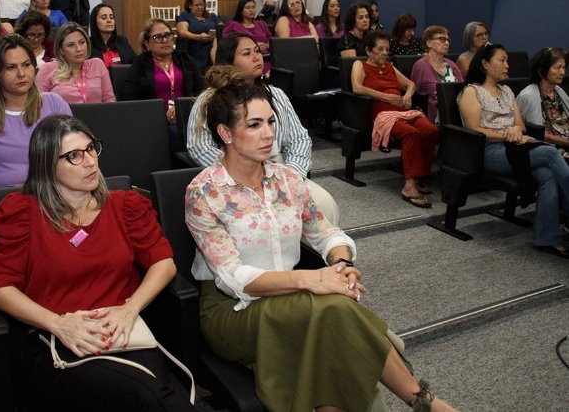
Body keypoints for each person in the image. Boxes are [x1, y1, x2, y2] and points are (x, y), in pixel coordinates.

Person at [185, 82, 458, 412]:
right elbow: (232, 277)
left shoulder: (287, 179)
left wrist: (340, 264)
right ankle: (425, 401)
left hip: (291, 297)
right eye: (254, 125)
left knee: (332, 319)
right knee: (332, 307)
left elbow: (326, 233)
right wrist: (312, 280)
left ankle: (415, 403)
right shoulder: (204, 192)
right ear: (226, 133)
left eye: (271, 122)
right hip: (230, 310)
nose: (269, 133)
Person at [0, 115, 195, 411]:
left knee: (152, 394)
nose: (89, 161)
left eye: (91, 149)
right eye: (73, 156)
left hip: (122, 331)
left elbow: (164, 263)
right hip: (56, 340)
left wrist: (130, 308)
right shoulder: (23, 214)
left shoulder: (124, 206)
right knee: (151, 397)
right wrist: (59, 324)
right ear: (47, 164)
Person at [187, 36, 339, 226]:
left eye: (257, 51)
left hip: (280, 169)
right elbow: (199, 146)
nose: (256, 57)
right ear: (229, 61)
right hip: (234, 175)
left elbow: (299, 139)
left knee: (325, 204)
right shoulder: (210, 99)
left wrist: (291, 175)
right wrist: (239, 171)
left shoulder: (276, 94)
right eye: (247, 53)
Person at [459, 43, 569, 258]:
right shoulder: (472, 92)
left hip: (514, 148)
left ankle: (546, 238)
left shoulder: (507, 90)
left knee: (547, 175)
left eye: (507, 60)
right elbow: (474, 130)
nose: (507, 65)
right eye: (502, 60)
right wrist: (507, 134)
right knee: (550, 153)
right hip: (488, 152)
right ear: (485, 63)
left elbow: (520, 124)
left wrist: (516, 130)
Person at [0, 34, 71, 235]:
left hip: (54, 195)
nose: (21, 73)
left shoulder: (55, 104)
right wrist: (8, 198)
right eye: (11, 67)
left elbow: (75, 156)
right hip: (2, 201)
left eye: (26, 65)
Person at [351, 30, 439, 208]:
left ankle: (420, 176)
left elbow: (411, 84)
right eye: (380, 49)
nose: (385, 53)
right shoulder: (360, 65)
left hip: (402, 111)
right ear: (368, 50)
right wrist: (385, 97)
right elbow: (357, 88)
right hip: (382, 114)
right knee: (411, 133)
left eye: (387, 49)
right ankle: (409, 186)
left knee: (431, 130)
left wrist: (407, 95)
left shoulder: (390, 66)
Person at [123, 18, 206, 124]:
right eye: (158, 37)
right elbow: (129, 98)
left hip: (187, 117)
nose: (165, 40)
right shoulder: (140, 63)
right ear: (147, 43)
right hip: (153, 121)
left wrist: (184, 110)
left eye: (168, 35)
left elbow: (202, 90)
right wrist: (160, 116)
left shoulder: (185, 59)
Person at [36, 23, 115, 104]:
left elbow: (109, 98)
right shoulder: (47, 69)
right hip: (62, 116)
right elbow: (38, 104)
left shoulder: (97, 64)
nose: (79, 49)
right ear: (61, 50)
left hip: (97, 116)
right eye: (71, 45)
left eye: (82, 42)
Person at [517, 48, 569, 153]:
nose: (562, 72)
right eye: (558, 68)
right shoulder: (528, 95)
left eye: (564, 67)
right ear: (541, 70)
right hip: (549, 149)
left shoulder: (559, 91)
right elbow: (532, 133)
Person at [410, 25, 463, 122]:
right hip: (435, 117)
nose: (447, 43)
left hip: (457, 112)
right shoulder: (420, 66)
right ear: (429, 43)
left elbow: (463, 90)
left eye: (448, 40)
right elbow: (414, 95)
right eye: (442, 39)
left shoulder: (452, 65)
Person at [222, 0, 272, 74]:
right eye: (248, 8)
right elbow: (227, 44)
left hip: (267, 57)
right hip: (246, 59)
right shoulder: (233, 25)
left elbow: (271, 40)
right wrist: (254, 46)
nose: (251, 10)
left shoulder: (261, 23)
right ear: (241, 10)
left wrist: (267, 45)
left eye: (253, 7)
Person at [176, 0, 220, 70]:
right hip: (195, 47)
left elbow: (222, 27)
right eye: (197, 5)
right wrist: (198, 37)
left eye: (202, 5)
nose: (200, 7)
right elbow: (182, 32)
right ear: (190, 6)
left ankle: (216, 67)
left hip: (213, 46)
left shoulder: (211, 16)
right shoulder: (185, 16)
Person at [88, 3, 137, 68]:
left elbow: (136, 63)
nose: (109, 20)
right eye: (104, 18)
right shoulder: (88, 44)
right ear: (94, 22)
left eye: (111, 17)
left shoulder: (122, 40)